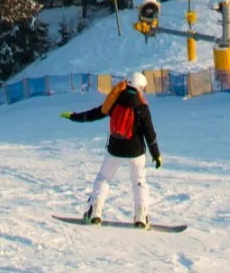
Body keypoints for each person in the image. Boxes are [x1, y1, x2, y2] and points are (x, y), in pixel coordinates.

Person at [63, 72, 162, 226]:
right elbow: (150, 133)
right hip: (136, 152)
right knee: (139, 182)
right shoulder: (142, 107)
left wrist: (74, 116)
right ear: (140, 87)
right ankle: (141, 217)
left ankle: (95, 212)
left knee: (103, 178)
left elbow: (95, 114)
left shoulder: (115, 100)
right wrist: (156, 154)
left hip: (115, 149)